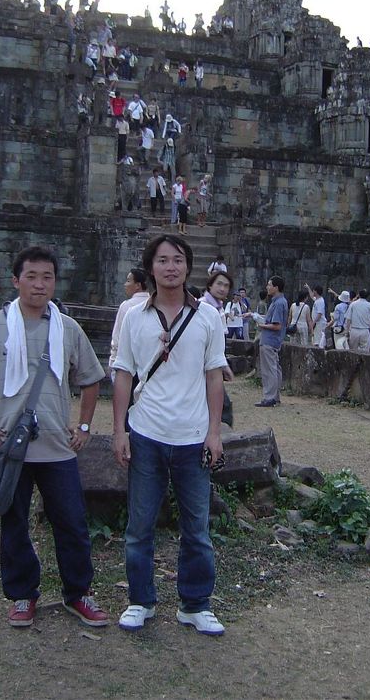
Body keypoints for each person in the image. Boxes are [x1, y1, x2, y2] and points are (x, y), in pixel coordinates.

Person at [0, 246, 109, 629]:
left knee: (71, 523)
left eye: (47, 277)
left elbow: (91, 378)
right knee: (14, 523)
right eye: (31, 277)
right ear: (15, 281)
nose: (39, 284)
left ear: (55, 282)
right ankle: (22, 595)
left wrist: (84, 426)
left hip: (57, 447)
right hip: (8, 449)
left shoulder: (68, 328)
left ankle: (78, 593)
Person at [111, 234, 226, 635]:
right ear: (151, 268)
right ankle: (140, 600)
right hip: (146, 432)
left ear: (188, 267)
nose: (171, 267)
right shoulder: (134, 316)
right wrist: (119, 430)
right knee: (139, 526)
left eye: (178, 259)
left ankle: (195, 604)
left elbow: (214, 376)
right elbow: (122, 373)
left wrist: (214, 432)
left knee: (197, 529)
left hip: (193, 436)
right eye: (162, 260)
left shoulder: (208, 317)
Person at [108, 269, 151, 381]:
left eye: (128, 281)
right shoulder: (155, 304)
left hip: (128, 366)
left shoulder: (127, 306)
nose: (125, 285)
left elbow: (117, 338)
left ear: (137, 285)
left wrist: (113, 362)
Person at [252, 276, 288, 407]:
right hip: (273, 340)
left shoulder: (278, 303)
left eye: (269, 285)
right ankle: (274, 396)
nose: (267, 287)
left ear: (276, 287)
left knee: (269, 370)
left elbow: (276, 325)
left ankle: (270, 397)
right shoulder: (280, 301)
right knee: (275, 369)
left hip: (269, 340)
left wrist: (261, 325)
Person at [306, 284, 327, 349]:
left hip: (319, 324)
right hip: (317, 323)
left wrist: (313, 323)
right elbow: (312, 296)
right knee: (316, 339)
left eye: (313, 291)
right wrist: (308, 288)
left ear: (316, 291)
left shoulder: (320, 301)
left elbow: (319, 314)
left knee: (318, 341)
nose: (313, 292)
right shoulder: (317, 300)